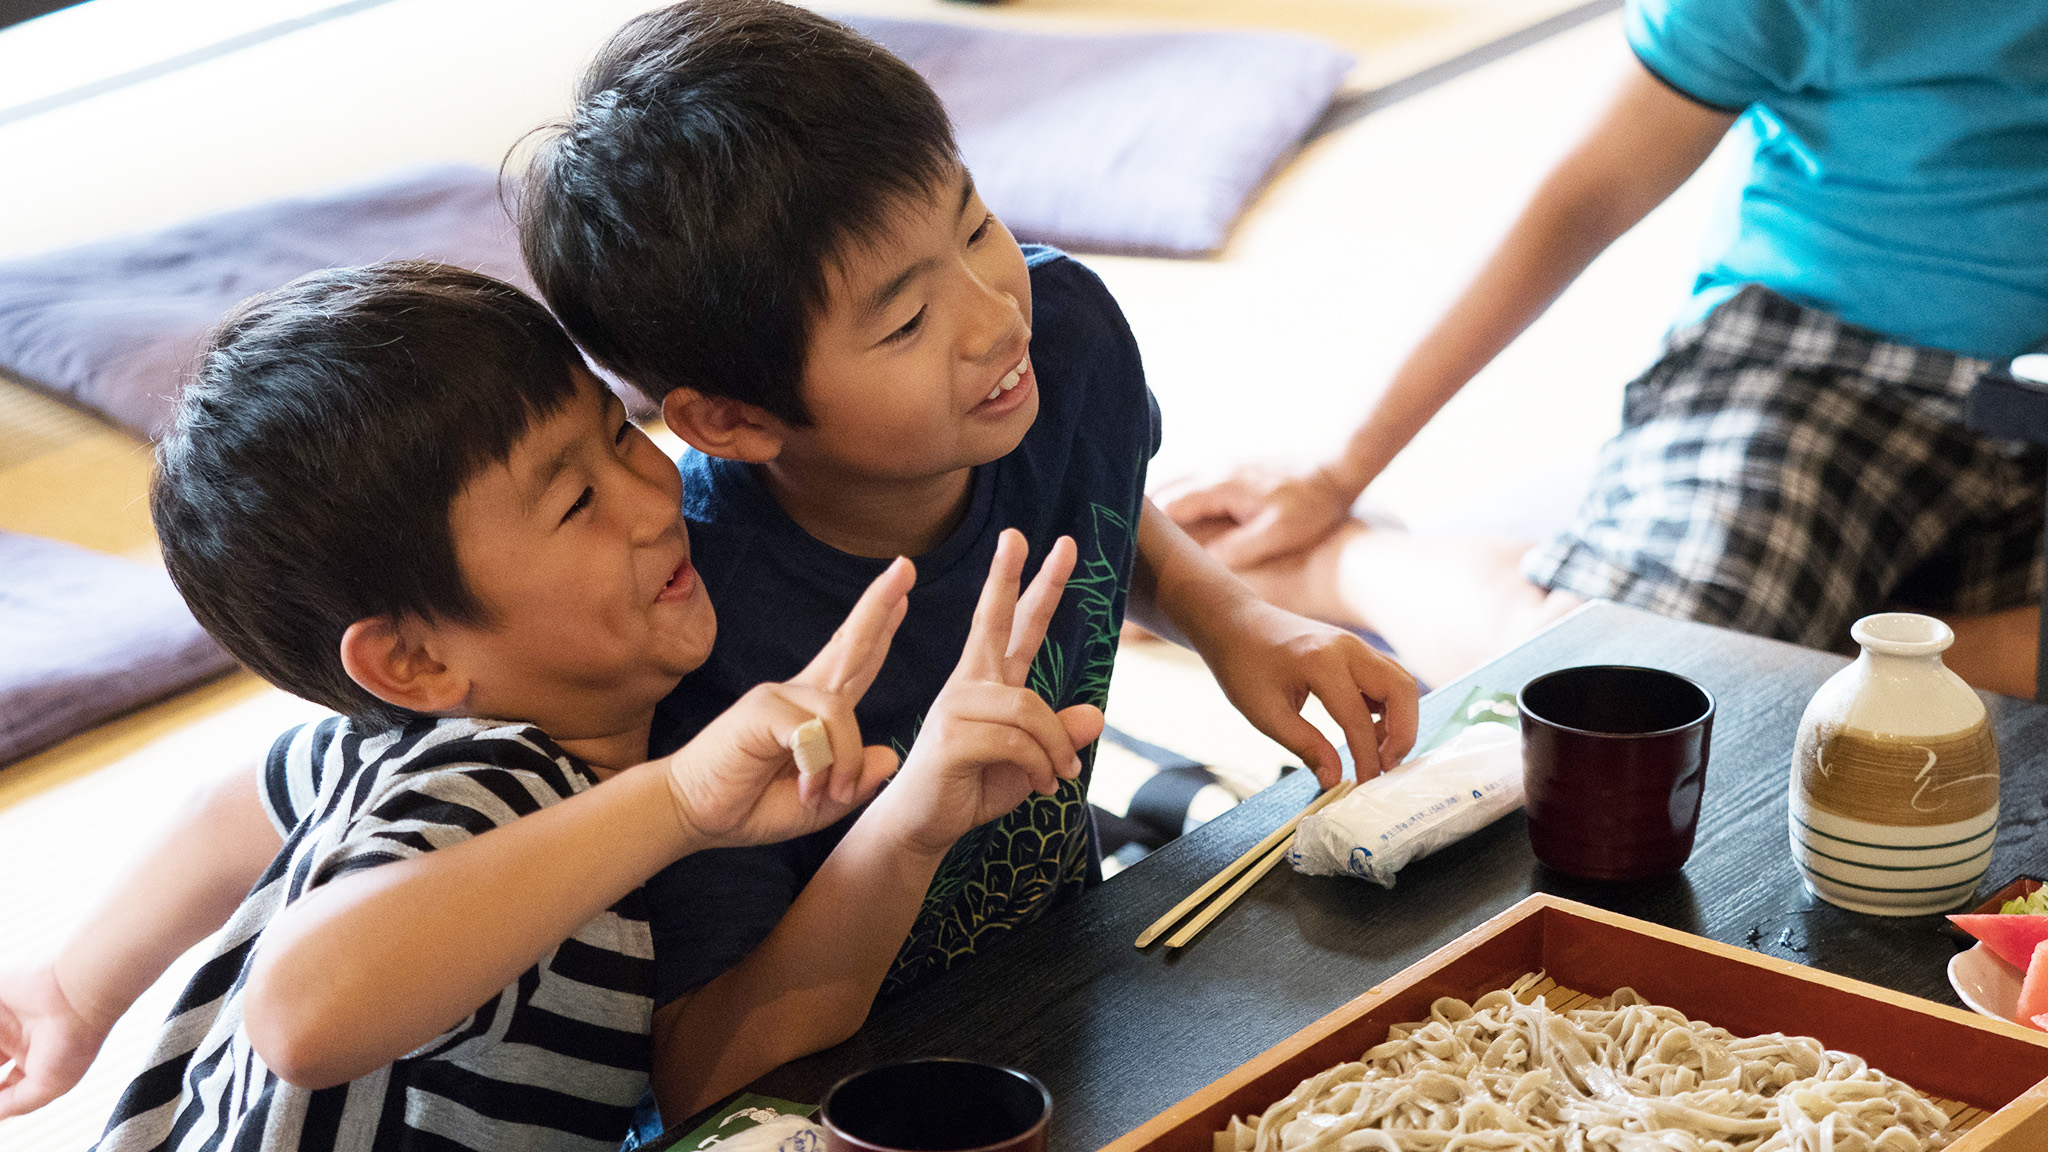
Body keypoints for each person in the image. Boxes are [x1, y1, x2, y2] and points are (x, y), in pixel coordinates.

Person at [515, 0, 1420, 1097]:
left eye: (977, 222)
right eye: (902, 323)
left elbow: (1094, 498)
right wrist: (905, 824)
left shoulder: (1066, 339)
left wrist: (1227, 614)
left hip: (1068, 977)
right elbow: (704, 1072)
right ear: (734, 423)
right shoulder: (692, 637)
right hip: (863, 1097)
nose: (995, 315)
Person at [0, 262, 1105, 1148]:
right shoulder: (488, 782)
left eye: (620, 435)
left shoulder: (388, 737)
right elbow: (300, 1014)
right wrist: (679, 799)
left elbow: (228, 807)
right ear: (415, 664)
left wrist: (70, 988)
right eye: (574, 499)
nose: (649, 495)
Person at [1162, 0, 2048, 697]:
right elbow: (1587, 193)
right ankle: (1340, 564)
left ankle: (1812, 650)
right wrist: (1335, 473)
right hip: (1826, 361)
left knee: (1740, 663)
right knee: (1633, 684)